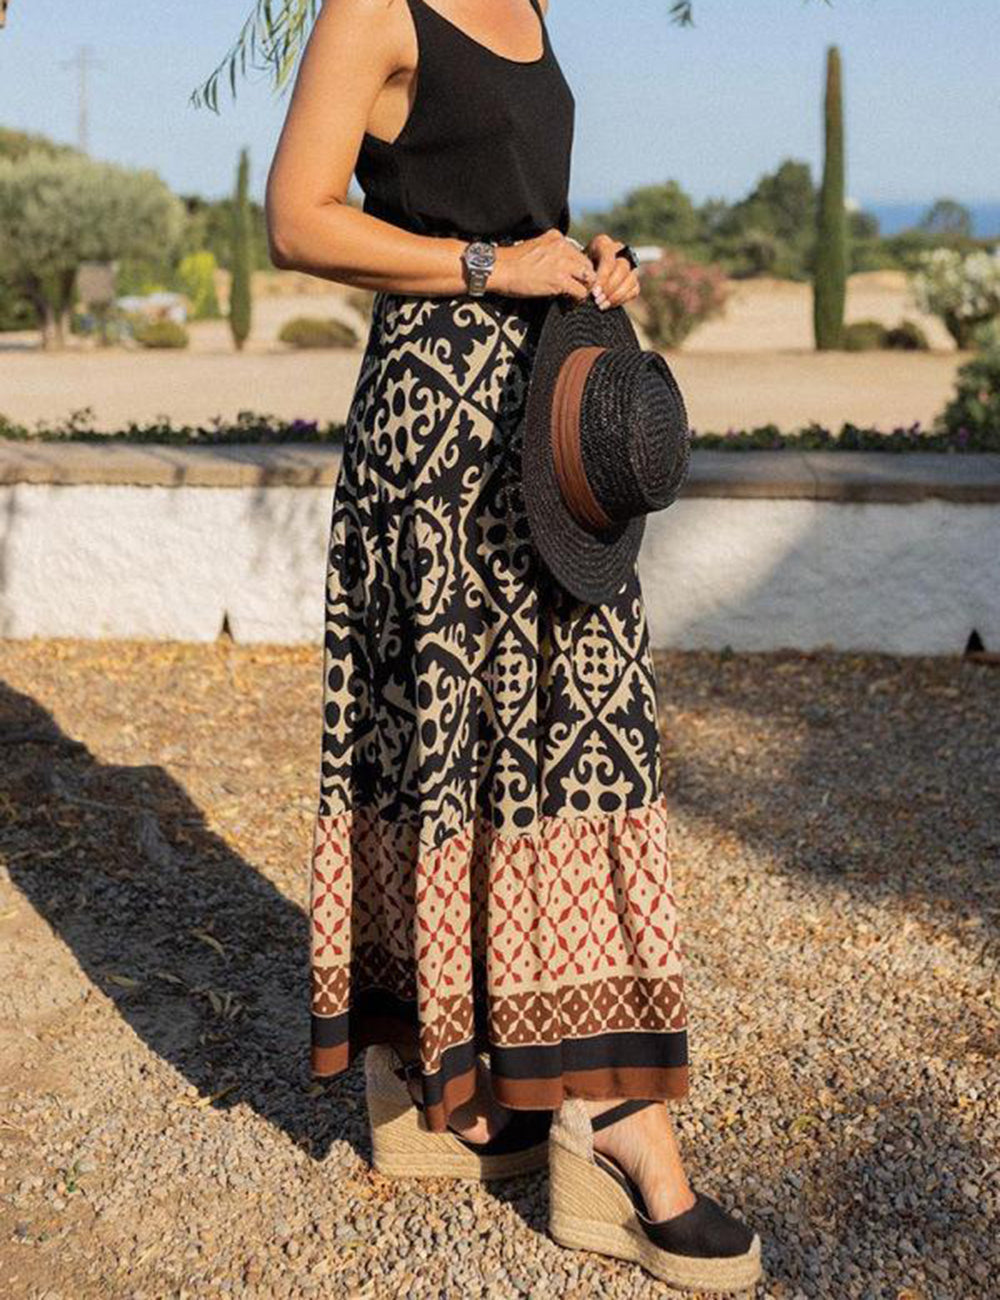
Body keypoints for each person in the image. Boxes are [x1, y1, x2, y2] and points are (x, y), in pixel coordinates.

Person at [266, 0, 760, 1289]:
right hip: (436, 427)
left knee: (585, 738)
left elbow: (513, 207)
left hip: (544, 416)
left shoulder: (531, 4)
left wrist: (581, 260)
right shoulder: (374, 6)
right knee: (463, 738)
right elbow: (299, 219)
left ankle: (497, 1078)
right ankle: (582, 1118)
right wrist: (495, 267)